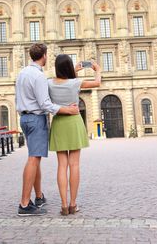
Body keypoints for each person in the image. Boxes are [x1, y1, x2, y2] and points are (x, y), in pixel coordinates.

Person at [15, 44, 79, 216]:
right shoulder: (39, 76)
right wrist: (67, 109)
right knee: (33, 159)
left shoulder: (22, 73)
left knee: (35, 158)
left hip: (24, 118)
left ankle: (38, 196)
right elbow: (45, 104)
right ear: (43, 55)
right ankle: (24, 204)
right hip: (36, 119)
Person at [48, 54, 101, 215]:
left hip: (59, 122)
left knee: (61, 166)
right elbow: (97, 83)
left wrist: (73, 72)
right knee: (75, 165)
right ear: (70, 68)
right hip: (74, 121)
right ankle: (73, 204)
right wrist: (97, 70)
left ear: (56, 68)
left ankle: (63, 205)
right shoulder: (75, 83)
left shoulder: (49, 83)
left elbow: (61, 85)